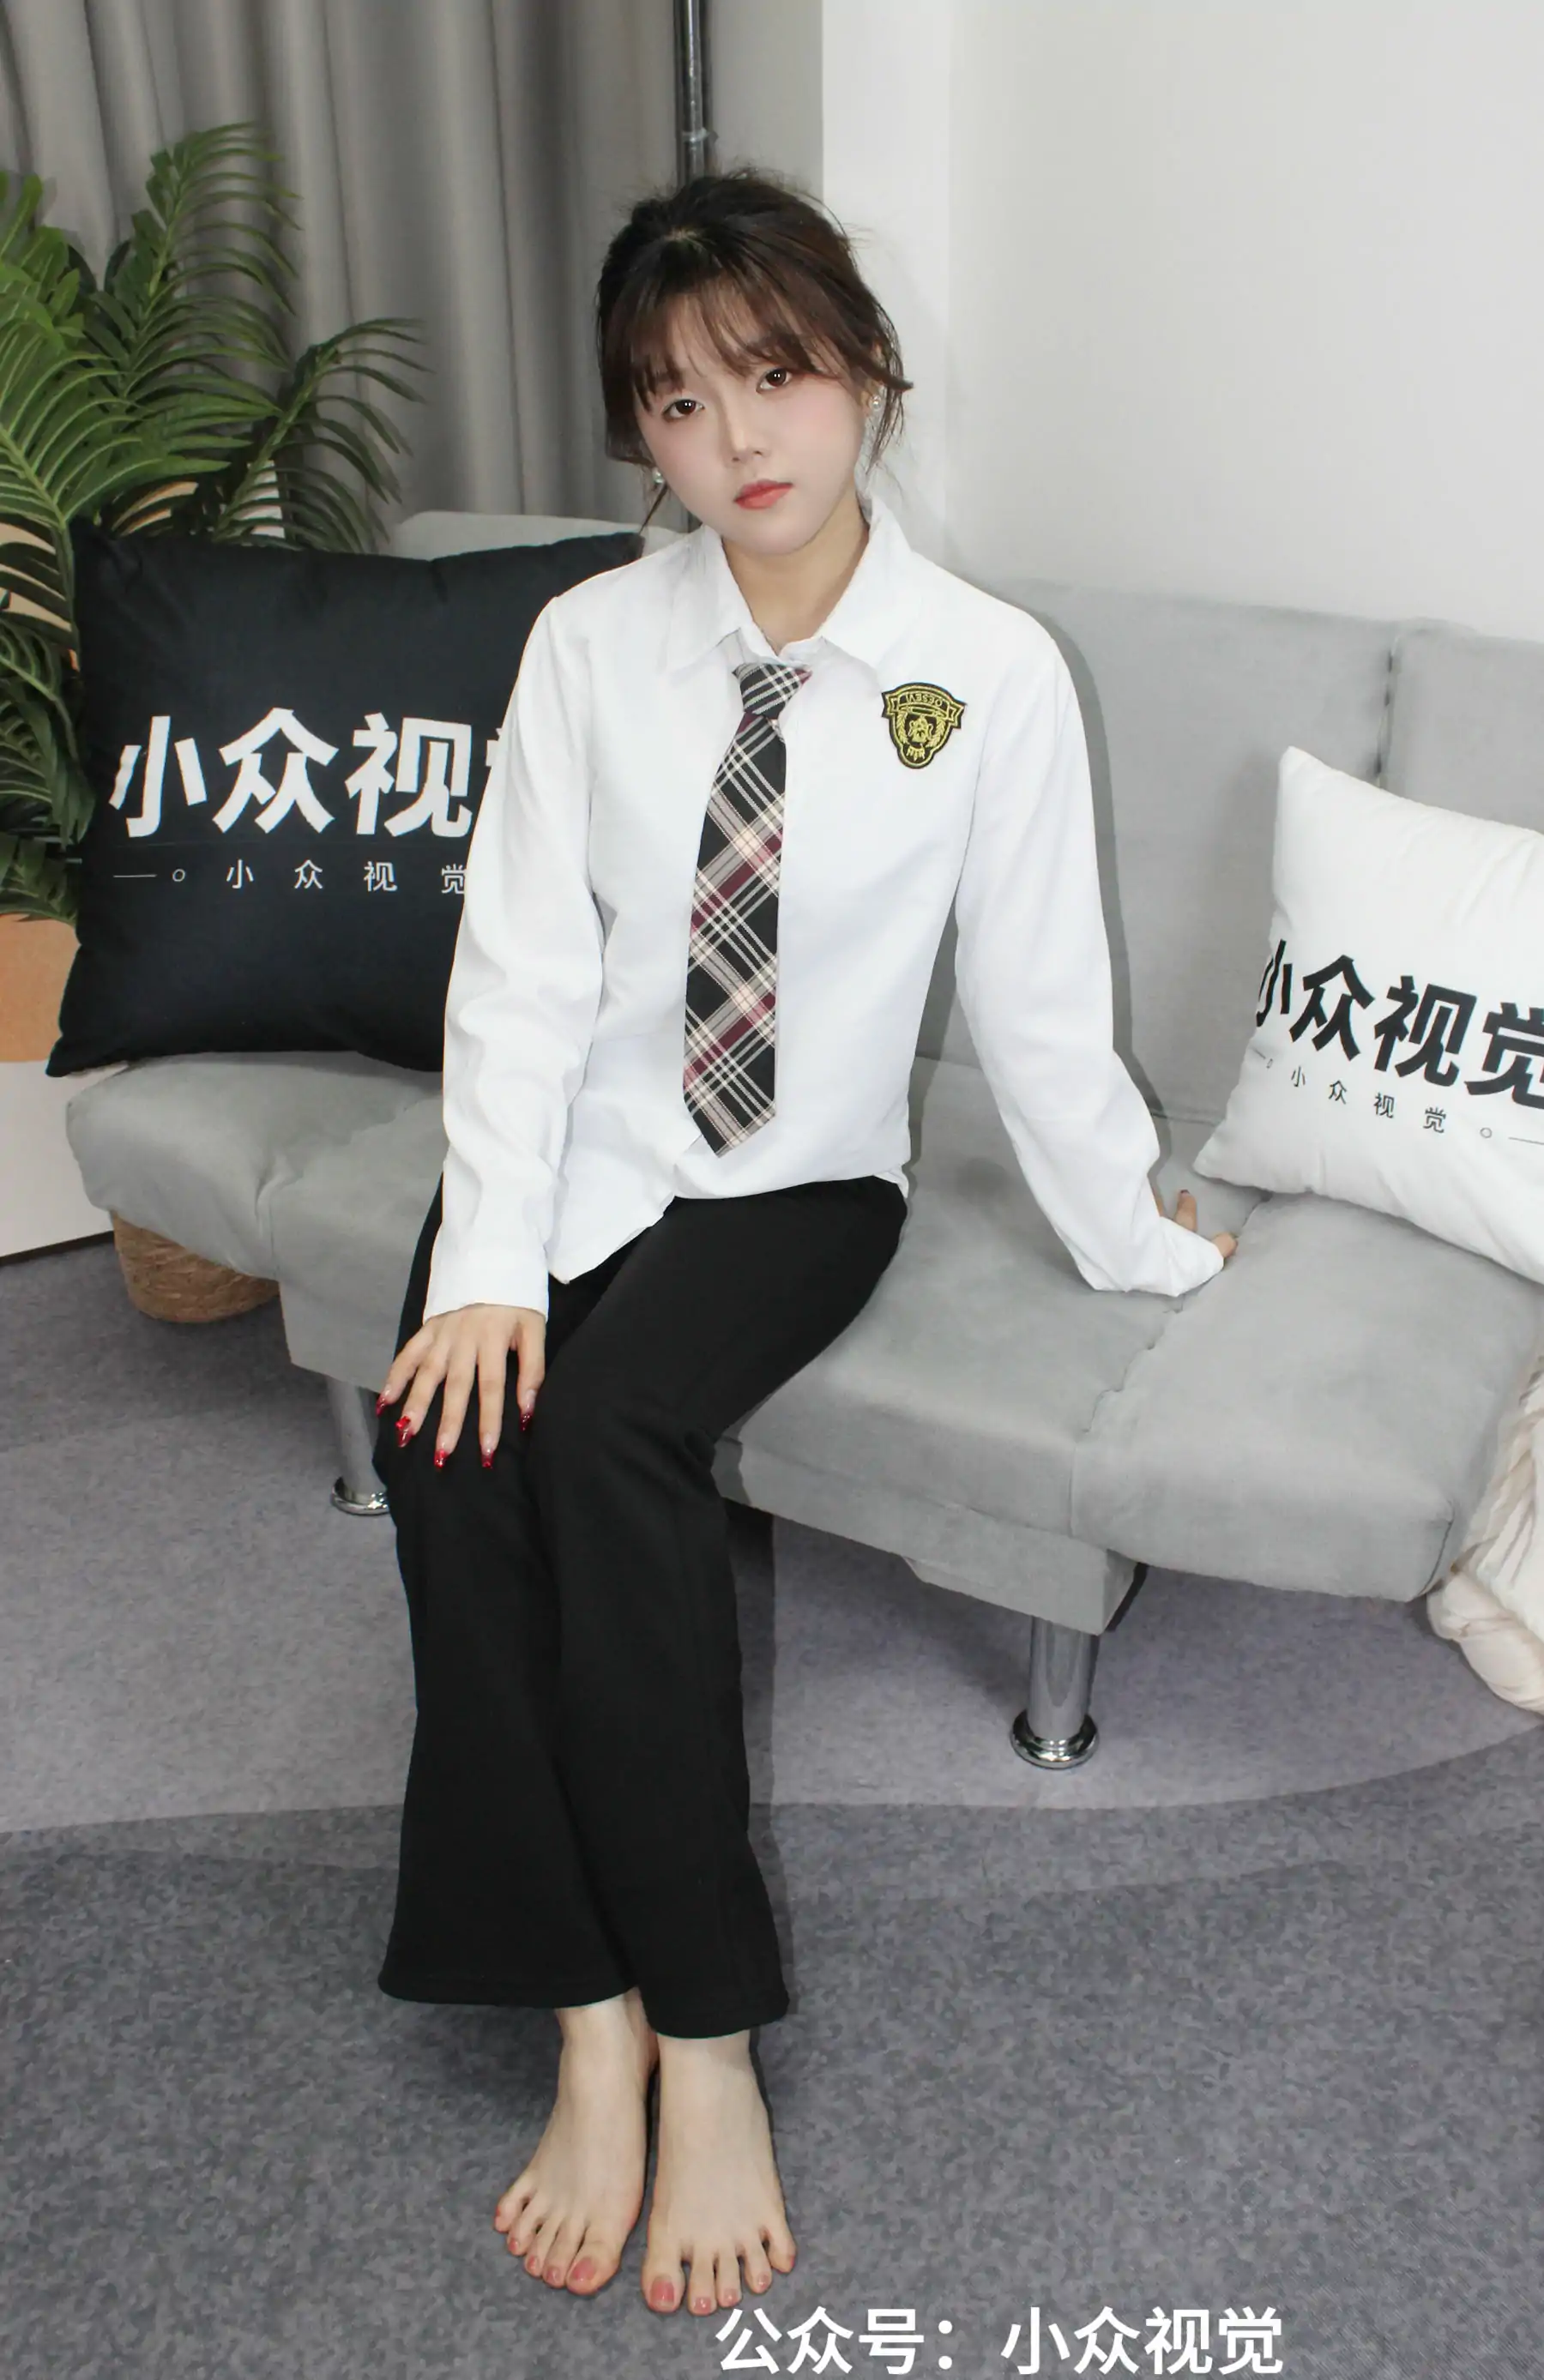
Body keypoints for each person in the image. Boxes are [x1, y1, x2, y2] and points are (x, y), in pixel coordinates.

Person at [370, 164, 1238, 2324]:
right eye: (678, 402)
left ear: (865, 372)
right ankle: (586, 2012)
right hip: (579, 1148)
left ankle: (708, 2032)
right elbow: (519, 972)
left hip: (799, 1175)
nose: (738, 436)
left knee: (607, 1439)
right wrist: (484, 1264)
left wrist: (1138, 1242)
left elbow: (1037, 1003)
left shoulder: (985, 674)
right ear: (641, 437)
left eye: (774, 373)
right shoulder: (592, 645)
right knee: (449, 1437)